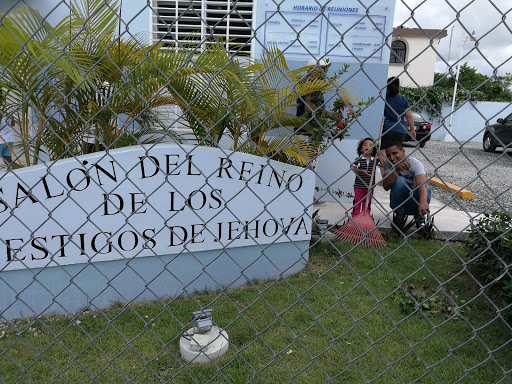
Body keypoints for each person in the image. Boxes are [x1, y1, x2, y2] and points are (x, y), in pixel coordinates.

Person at [381, 143, 431, 232]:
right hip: (398, 203)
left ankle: (420, 218)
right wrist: (396, 169)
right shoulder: (388, 164)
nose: (392, 158)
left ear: (403, 152)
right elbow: (386, 186)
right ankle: (399, 217)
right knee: (400, 180)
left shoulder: (415, 163)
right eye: (388, 155)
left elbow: (421, 184)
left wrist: (423, 202)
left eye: (395, 153)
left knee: (426, 188)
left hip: (415, 202)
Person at [296, 58, 329, 134]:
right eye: (322, 68)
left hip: (305, 130)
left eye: (324, 68)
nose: (324, 71)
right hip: (306, 131)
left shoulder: (308, 82)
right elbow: (309, 108)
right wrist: (330, 115)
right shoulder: (310, 83)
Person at [382, 77, 416, 149]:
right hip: (400, 129)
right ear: (398, 86)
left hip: (386, 129)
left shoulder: (384, 98)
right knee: (397, 151)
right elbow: (409, 116)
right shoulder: (403, 99)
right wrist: (412, 129)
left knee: (384, 151)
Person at [351, 138, 382, 216]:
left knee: (367, 202)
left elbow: (383, 165)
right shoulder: (359, 159)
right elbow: (355, 169)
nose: (367, 146)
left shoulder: (375, 160)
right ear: (361, 149)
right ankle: (355, 215)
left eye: (371, 145)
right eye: (365, 145)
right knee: (357, 200)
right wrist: (361, 171)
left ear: (373, 150)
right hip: (359, 186)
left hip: (369, 186)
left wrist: (379, 155)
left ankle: (366, 215)